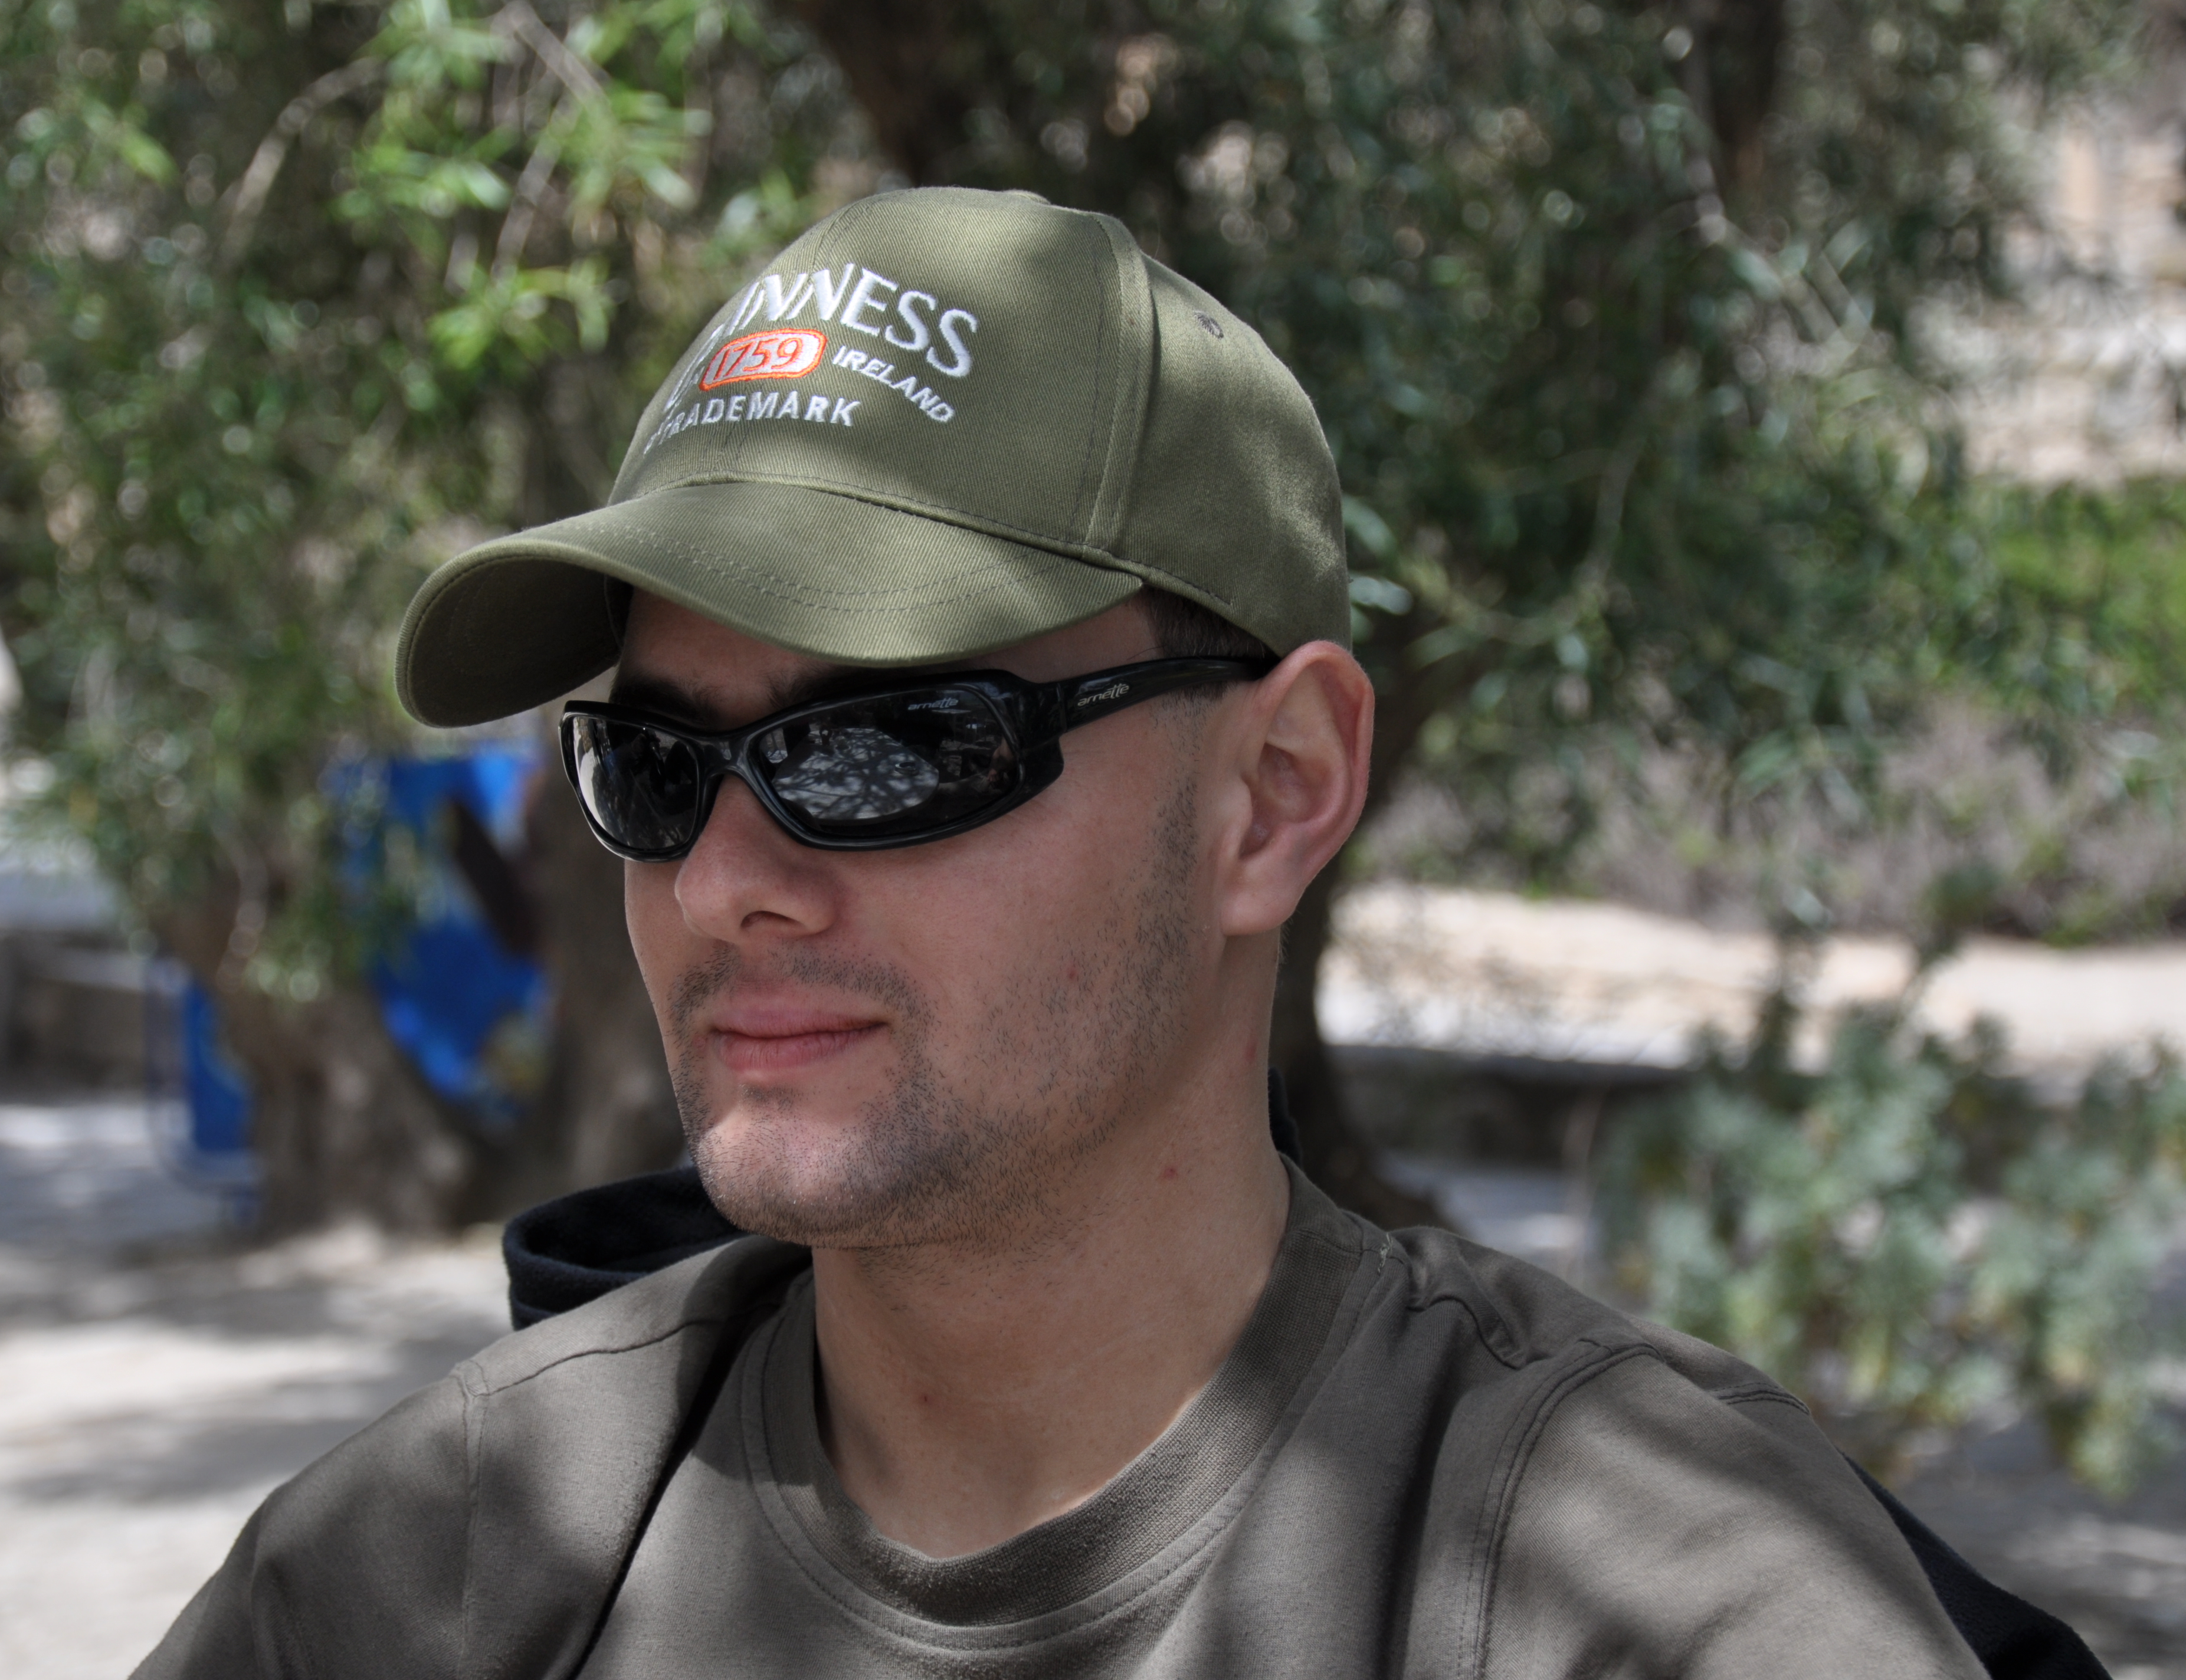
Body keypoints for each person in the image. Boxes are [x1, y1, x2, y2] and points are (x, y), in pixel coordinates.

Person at [135, 187, 2092, 1679]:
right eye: (654, 765)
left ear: (1277, 793)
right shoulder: (425, 1571)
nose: (727, 879)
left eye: (895, 745)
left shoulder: (1640, 1594)